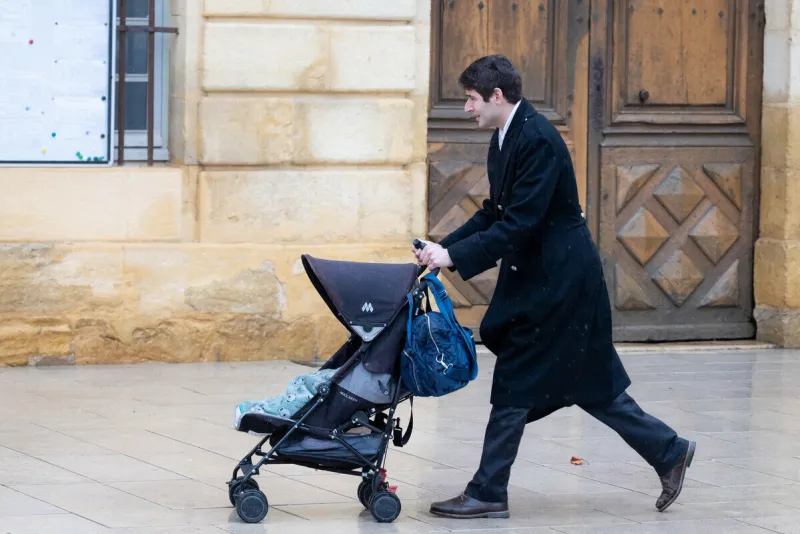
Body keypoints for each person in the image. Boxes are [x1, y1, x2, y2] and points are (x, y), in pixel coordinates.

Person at [413, 55, 695, 519]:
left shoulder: (538, 139)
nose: (467, 108)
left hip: (561, 284)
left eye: (471, 99)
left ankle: (488, 491)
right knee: (590, 386)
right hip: (544, 279)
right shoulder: (506, 135)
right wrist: (443, 249)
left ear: (497, 96)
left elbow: (521, 223)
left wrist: (455, 257)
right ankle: (670, 452)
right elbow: (495, 212)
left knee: (516, 384)